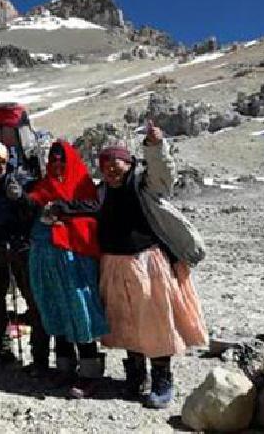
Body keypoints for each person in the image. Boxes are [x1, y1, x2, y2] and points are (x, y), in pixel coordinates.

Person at [93, 121, 209, 408]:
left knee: (154, 320)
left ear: (128, 162)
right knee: (124, 320)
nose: (110, 169)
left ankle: (161, 379)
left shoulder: (143, 184)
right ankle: (135, 376)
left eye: (115, 163)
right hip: (113, 265)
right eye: (105, 164)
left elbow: (164, 175)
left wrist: (155, 147)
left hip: (148, 263)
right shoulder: (101, 192)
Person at [7, 140, 110, 398]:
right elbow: (29, 208)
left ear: (70, 160)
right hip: (46, 258)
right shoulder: (44, 186)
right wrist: (18, 197)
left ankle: (89, 372)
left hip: (74, 261)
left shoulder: (82, 185)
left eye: (61, 159)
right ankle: (65, 368)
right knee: (55, 309)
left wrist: (64, 210)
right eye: (52, 160)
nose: (56, 164)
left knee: (79, 310)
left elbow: (93, 210)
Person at [0, 142, 49, 373]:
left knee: (33, 300)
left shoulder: (20, 180)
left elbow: (34, 208)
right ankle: (2, 349)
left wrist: (21, 197)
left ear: (7, 162)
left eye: (0, 162)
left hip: (21, 246)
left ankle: (39, 355)